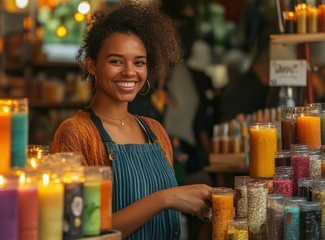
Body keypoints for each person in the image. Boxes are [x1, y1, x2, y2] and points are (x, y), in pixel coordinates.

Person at [50, 1, 213, 239]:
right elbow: (81, 231)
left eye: (139, 62)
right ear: (92, 65)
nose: (129, 72)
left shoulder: (155, 131)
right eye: (116, 61)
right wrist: (167, 198)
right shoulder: (75, 133)